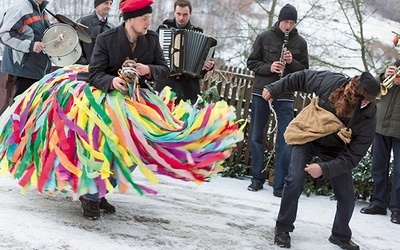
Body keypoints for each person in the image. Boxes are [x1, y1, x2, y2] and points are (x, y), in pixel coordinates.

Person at [262, 70, 381, 249]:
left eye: (367, 101)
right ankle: (283, 228)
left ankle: (340, 236)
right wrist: (275, 88)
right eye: (361, 99)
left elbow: (353, 157)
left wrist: (324, 169)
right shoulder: (332, 82)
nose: (364, 103)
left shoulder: (368, 118)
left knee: (348, 197)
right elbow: (301, 77)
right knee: (294, 180)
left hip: (335, 149)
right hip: (308, 136)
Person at [81, 0, 170, 220]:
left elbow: (164, 69)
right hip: (106, 103)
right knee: (103, 149)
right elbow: (94, 73)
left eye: (149, 17)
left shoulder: (151, 39)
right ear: (130, 20)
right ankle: (91, 196)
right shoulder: (106, 39)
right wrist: (113, 82)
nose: (149, 22)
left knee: (132, 152)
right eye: (144, 18)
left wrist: (148, 69)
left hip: (137, 104)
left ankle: (101, 190)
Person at [246, 4, 308, 197]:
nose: (288, 26)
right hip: (261, 91)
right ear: (279, 21)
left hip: (286, 94)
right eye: (285, 22)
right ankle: (257, 179)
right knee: (256, 135)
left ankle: (279, 184)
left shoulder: (300, 43)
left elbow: (305, 71)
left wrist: (291, 63)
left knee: (285, 138)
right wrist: (269, 67)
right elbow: (251, 63)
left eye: (291, 22)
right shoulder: (264, 37)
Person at [360, 61, 400, 225]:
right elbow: (374, 85)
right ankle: (378, 203)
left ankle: (397, 208)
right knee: (378, 166)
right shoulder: (395, 64)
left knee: (399, 170)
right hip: (381, 124)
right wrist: (384, 76)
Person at [154, 0, 215, 104]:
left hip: (188, 89)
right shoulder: (163, 29)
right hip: (165, 85)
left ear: (190, 14)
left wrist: (208, 66)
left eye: (185, 14)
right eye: (178, 14)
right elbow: (153, 54)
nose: (181, 18)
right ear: (174, 13)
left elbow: (201, 70)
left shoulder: (198, 33)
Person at [0, 0, 52, 99]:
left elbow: (38, 35)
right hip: (24, 70)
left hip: (39, 70)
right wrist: (30, 45)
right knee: (22, 110)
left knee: (34, 111)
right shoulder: (21, 7)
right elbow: (4, 35)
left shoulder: (40, 9)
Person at [75, 0, 114, 65]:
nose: (109, 6)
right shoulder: (84, 22)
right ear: (97, 5)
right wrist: (84, 62)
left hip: (102, 69)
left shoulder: (111, 27)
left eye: (110, 4)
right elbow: (74, 43)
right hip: (83, 68)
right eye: (106, 3)